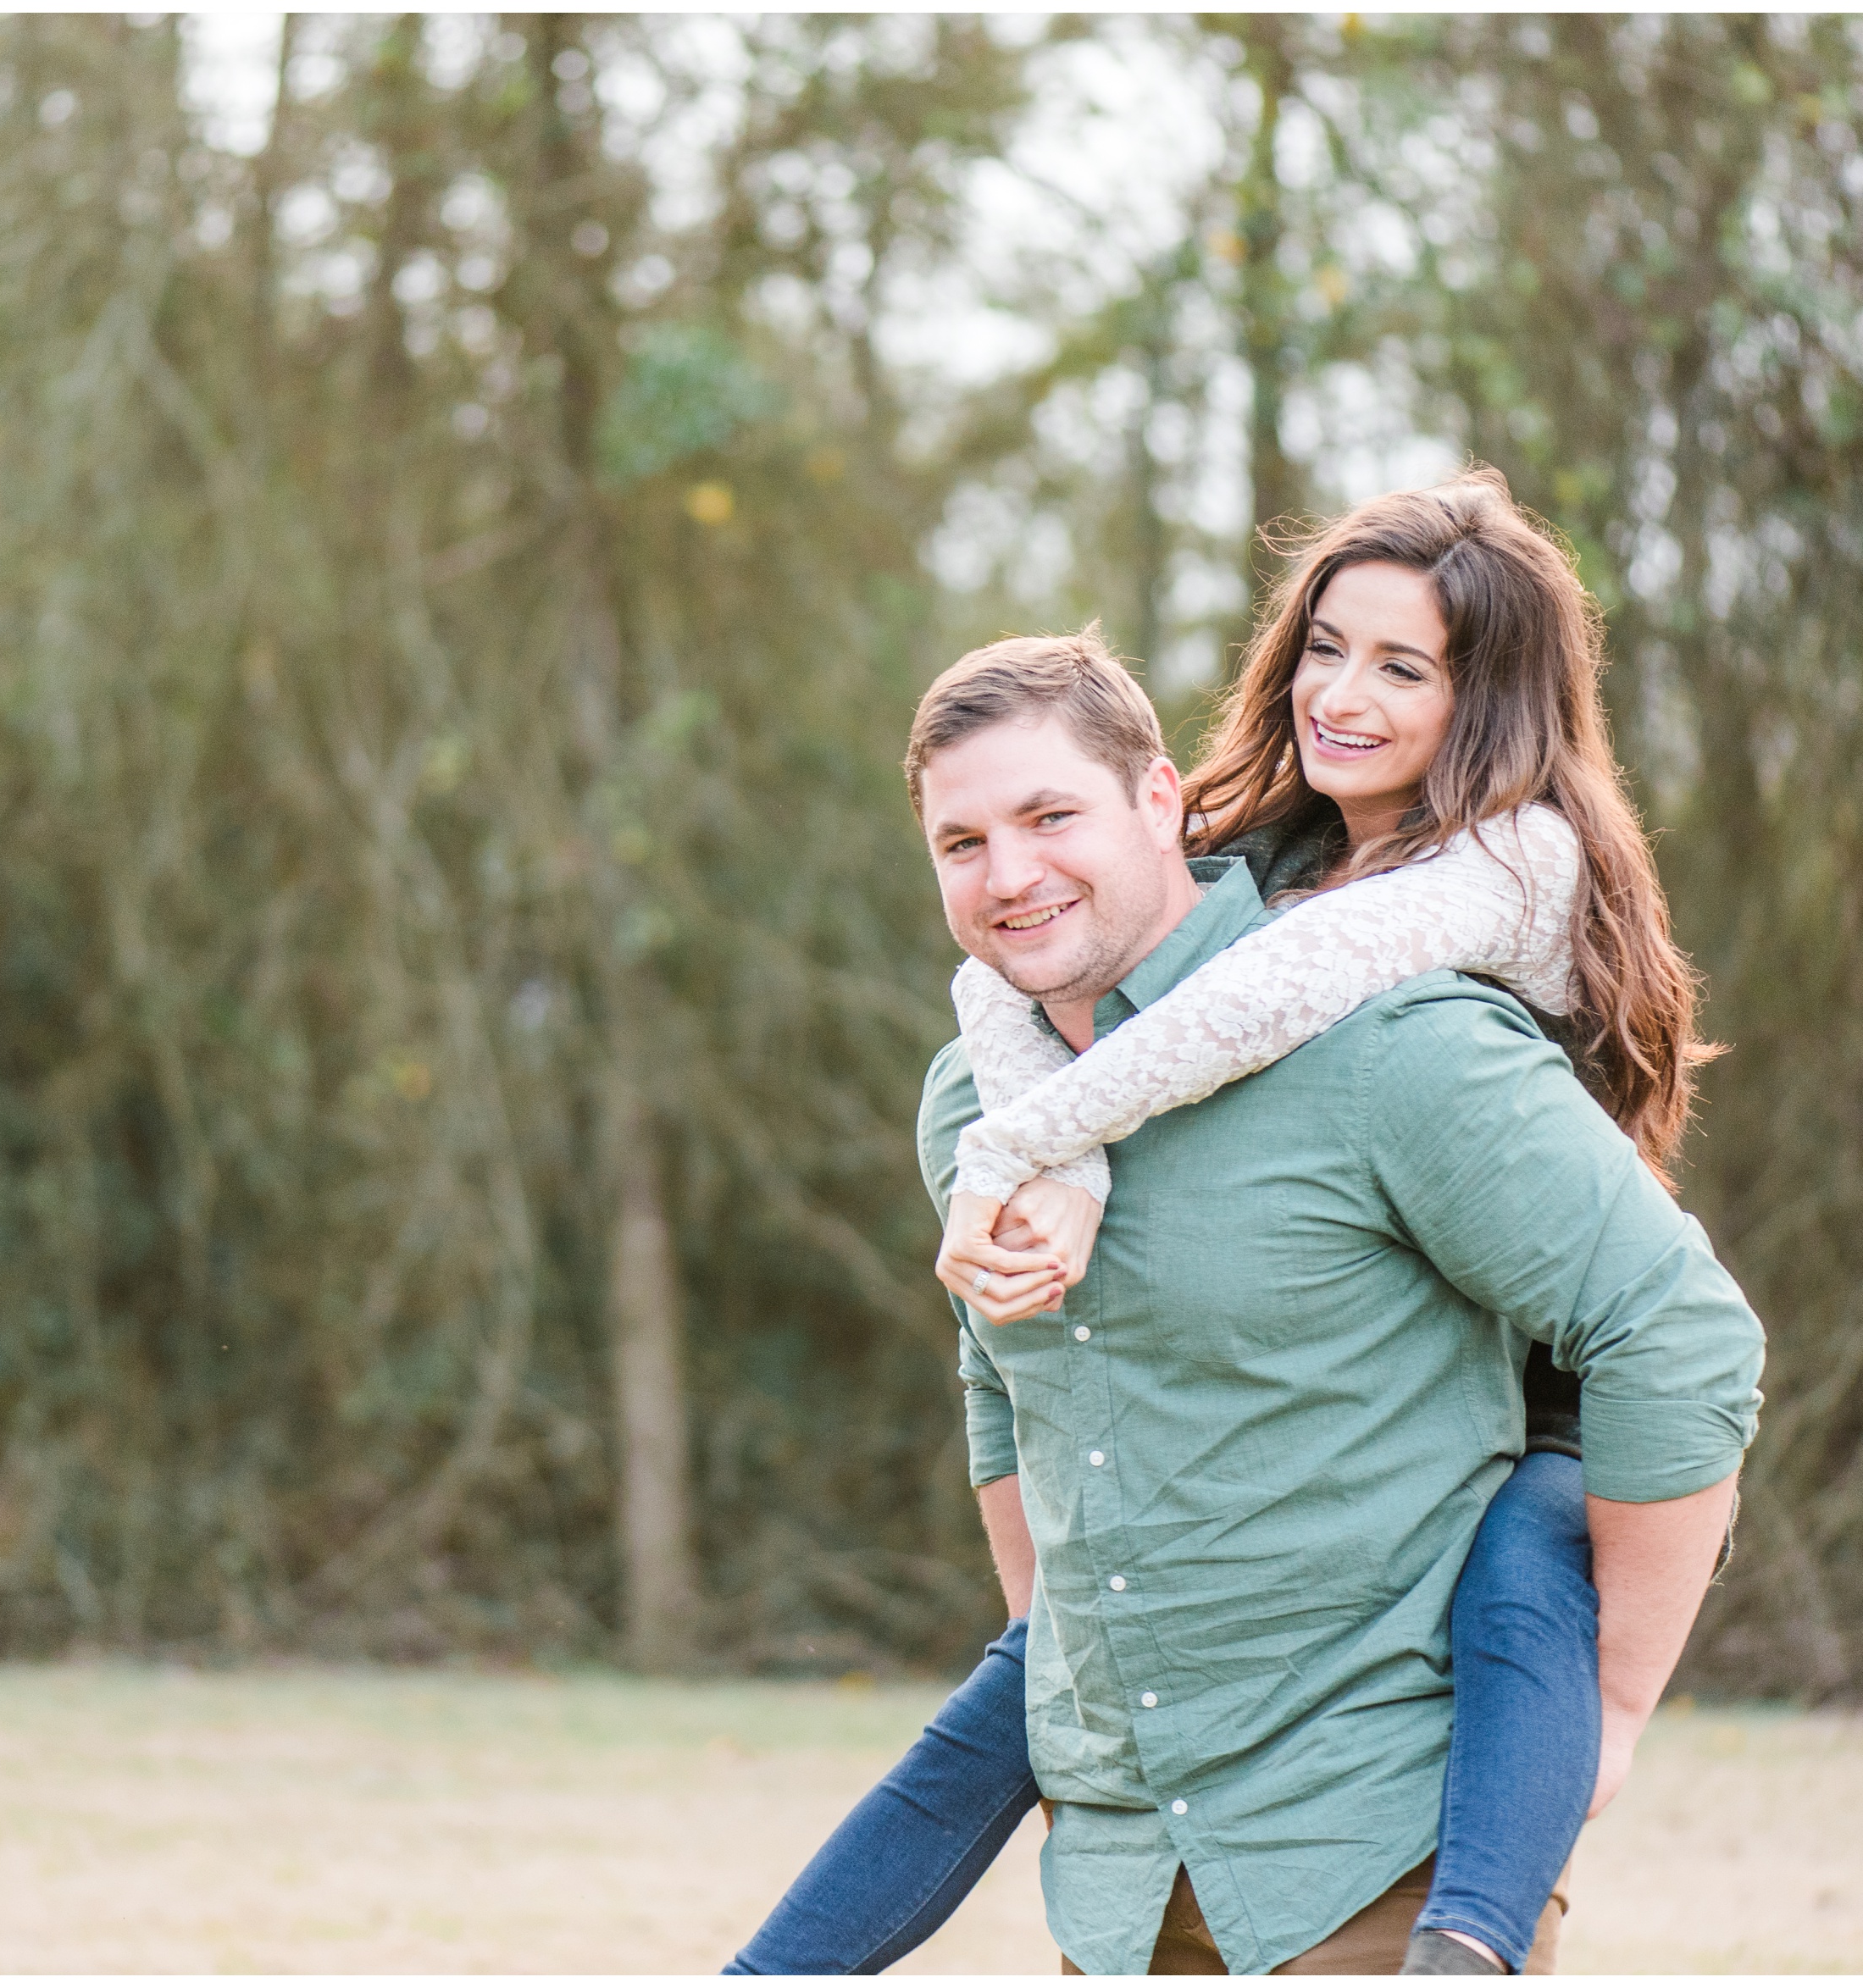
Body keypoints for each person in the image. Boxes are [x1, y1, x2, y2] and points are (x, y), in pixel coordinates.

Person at [728, 472, 1761, 1975]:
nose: (1010, 872)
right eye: (963, 844)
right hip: (1127, 1889)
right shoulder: (978, 1094)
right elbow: (1003, 1396)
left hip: (1373, 1867)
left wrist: (1613, 1700)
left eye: (1050, 816)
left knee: (1533, 1535)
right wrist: (1078, 1670)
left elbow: (1679, 1333)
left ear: (1156, 802)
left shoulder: (1406, 1006)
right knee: (954, 1759)